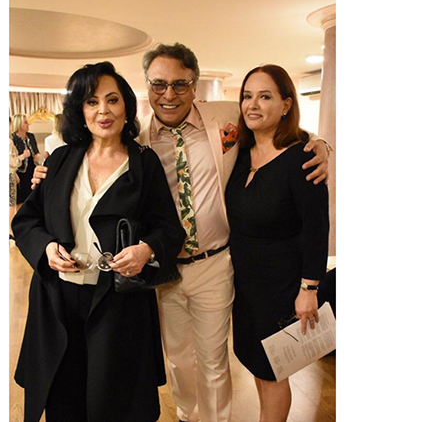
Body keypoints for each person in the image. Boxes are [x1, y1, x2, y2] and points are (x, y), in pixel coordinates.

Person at [31, 43, 331, 422]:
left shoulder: (226, 116)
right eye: (158, 84)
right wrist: (46, 175)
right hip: (163, 268)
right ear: (147, 86)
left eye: (179, 84)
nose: (168, 95)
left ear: (194, 85)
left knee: (213, 359)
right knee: (178, 360)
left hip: (215, 262)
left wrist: (321, 145)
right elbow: (85, 150)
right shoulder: (135, 136)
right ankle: (188, 417)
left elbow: (277, 125)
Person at [11, 61, 185, 422]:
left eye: (112, 100)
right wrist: (46, 247)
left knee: (113, 401)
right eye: (92, 102)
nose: (103, 111)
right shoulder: (60, 160)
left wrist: (145, 250)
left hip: (117, 303)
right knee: (63, 398)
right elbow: (27, 220)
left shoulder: (144, 164)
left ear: (127, 107)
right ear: (80, 110)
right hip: (58, 300)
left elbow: (168, 229)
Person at [225, 64, 329, 421]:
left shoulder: (303, 158)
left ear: (286, 104)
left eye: (265, 96)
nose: (252, 104)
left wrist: (309, 289)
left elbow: (317, 228)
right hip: (245, 283)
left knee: (273, 371)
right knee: (258, 364)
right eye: (247, 96)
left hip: (281, 286)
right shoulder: (239, 153)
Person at [12, 113, 42, 209]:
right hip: (20, 170)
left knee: (32, 194)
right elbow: (12, 158)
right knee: (21, 198)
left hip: (32, 168)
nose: (28, 124)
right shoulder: (13, 138)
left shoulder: (31, 136)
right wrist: (23, 156)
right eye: (25, 122)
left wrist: (37, 155)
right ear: (19, 124)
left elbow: (36, 150)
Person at [9, 116, 29, 241]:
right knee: (11, 205)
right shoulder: (9, 142)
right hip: (9, 174)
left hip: (12, 173)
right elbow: (11, 161)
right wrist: (22, 157)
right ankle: (11, 231)